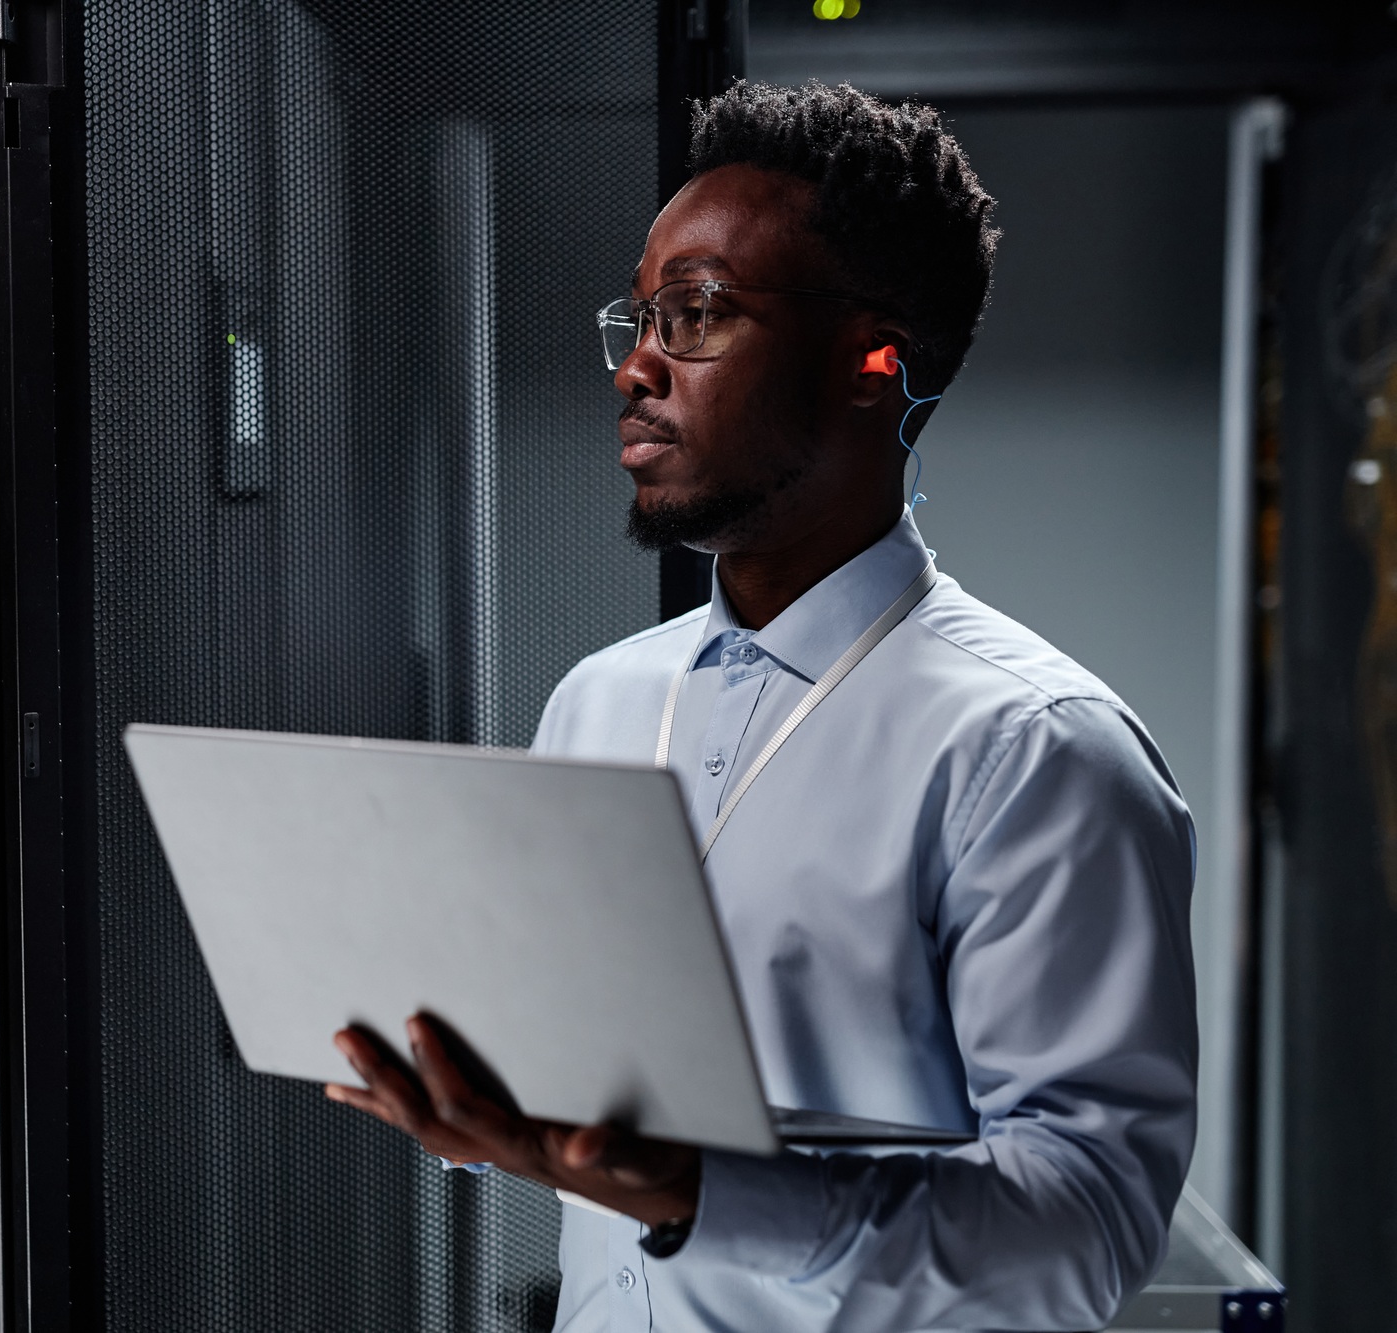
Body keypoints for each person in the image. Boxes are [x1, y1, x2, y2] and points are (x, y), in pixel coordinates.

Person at [323, 81, 1197, 1332]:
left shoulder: (1031, 751)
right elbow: (567, 1096)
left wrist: (695, 1189)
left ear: (871, 360)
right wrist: (474, 1102)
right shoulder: (600, 702)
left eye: (696, 314)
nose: (635, 367)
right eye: (639, 314)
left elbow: (1081, 1231)